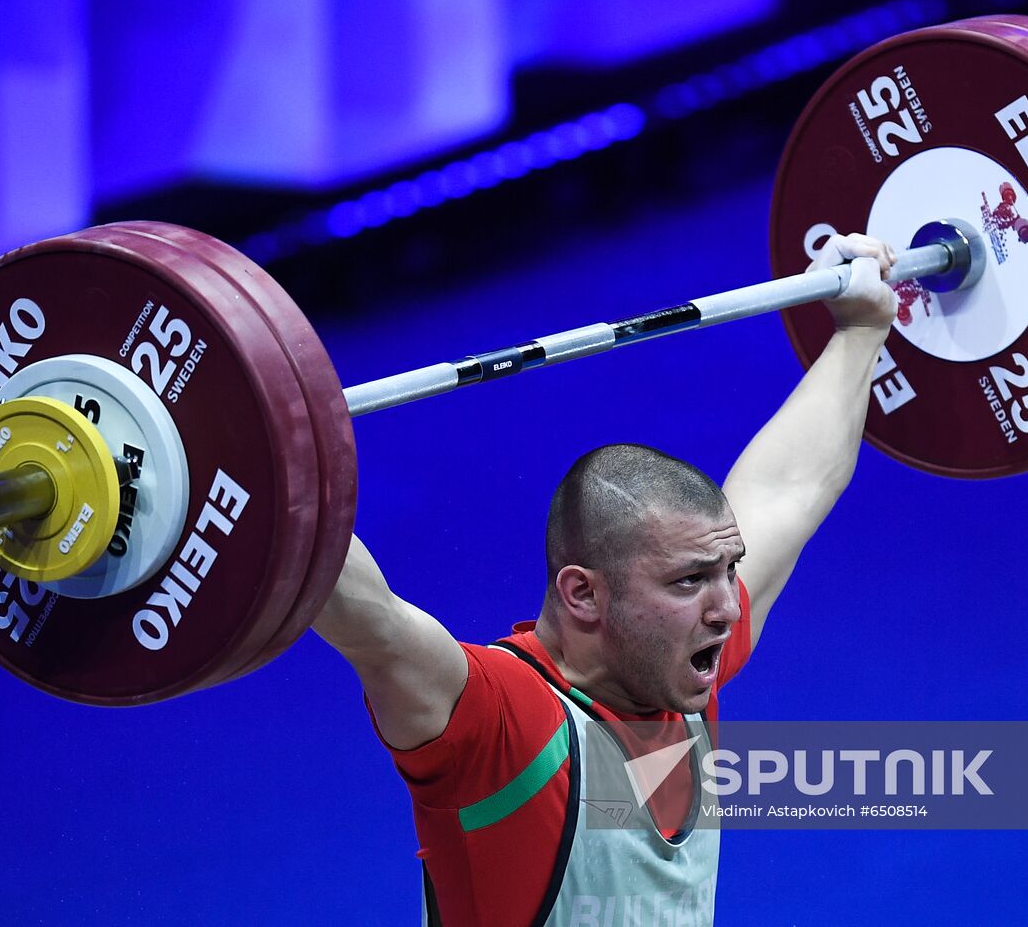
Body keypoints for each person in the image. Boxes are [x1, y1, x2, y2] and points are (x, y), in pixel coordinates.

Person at [313, 233, 899, 925]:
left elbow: (789, 489)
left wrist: (862, 330)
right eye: (687, 582)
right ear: (583, 593)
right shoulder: (501, 725)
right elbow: (365, 616)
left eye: (726, 571)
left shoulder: (672, 664)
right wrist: (259, 456)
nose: (726, 608)